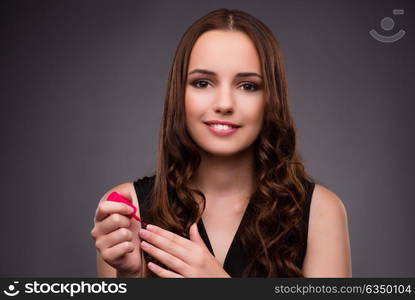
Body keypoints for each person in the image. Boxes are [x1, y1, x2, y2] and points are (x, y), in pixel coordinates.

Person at [90, 8, 352, 278]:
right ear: (179, 94)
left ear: (271, 99)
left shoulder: (321, 212)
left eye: (247, 86)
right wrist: (130, 277)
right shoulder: (126, 207)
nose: (224, 104)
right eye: (202, 83)